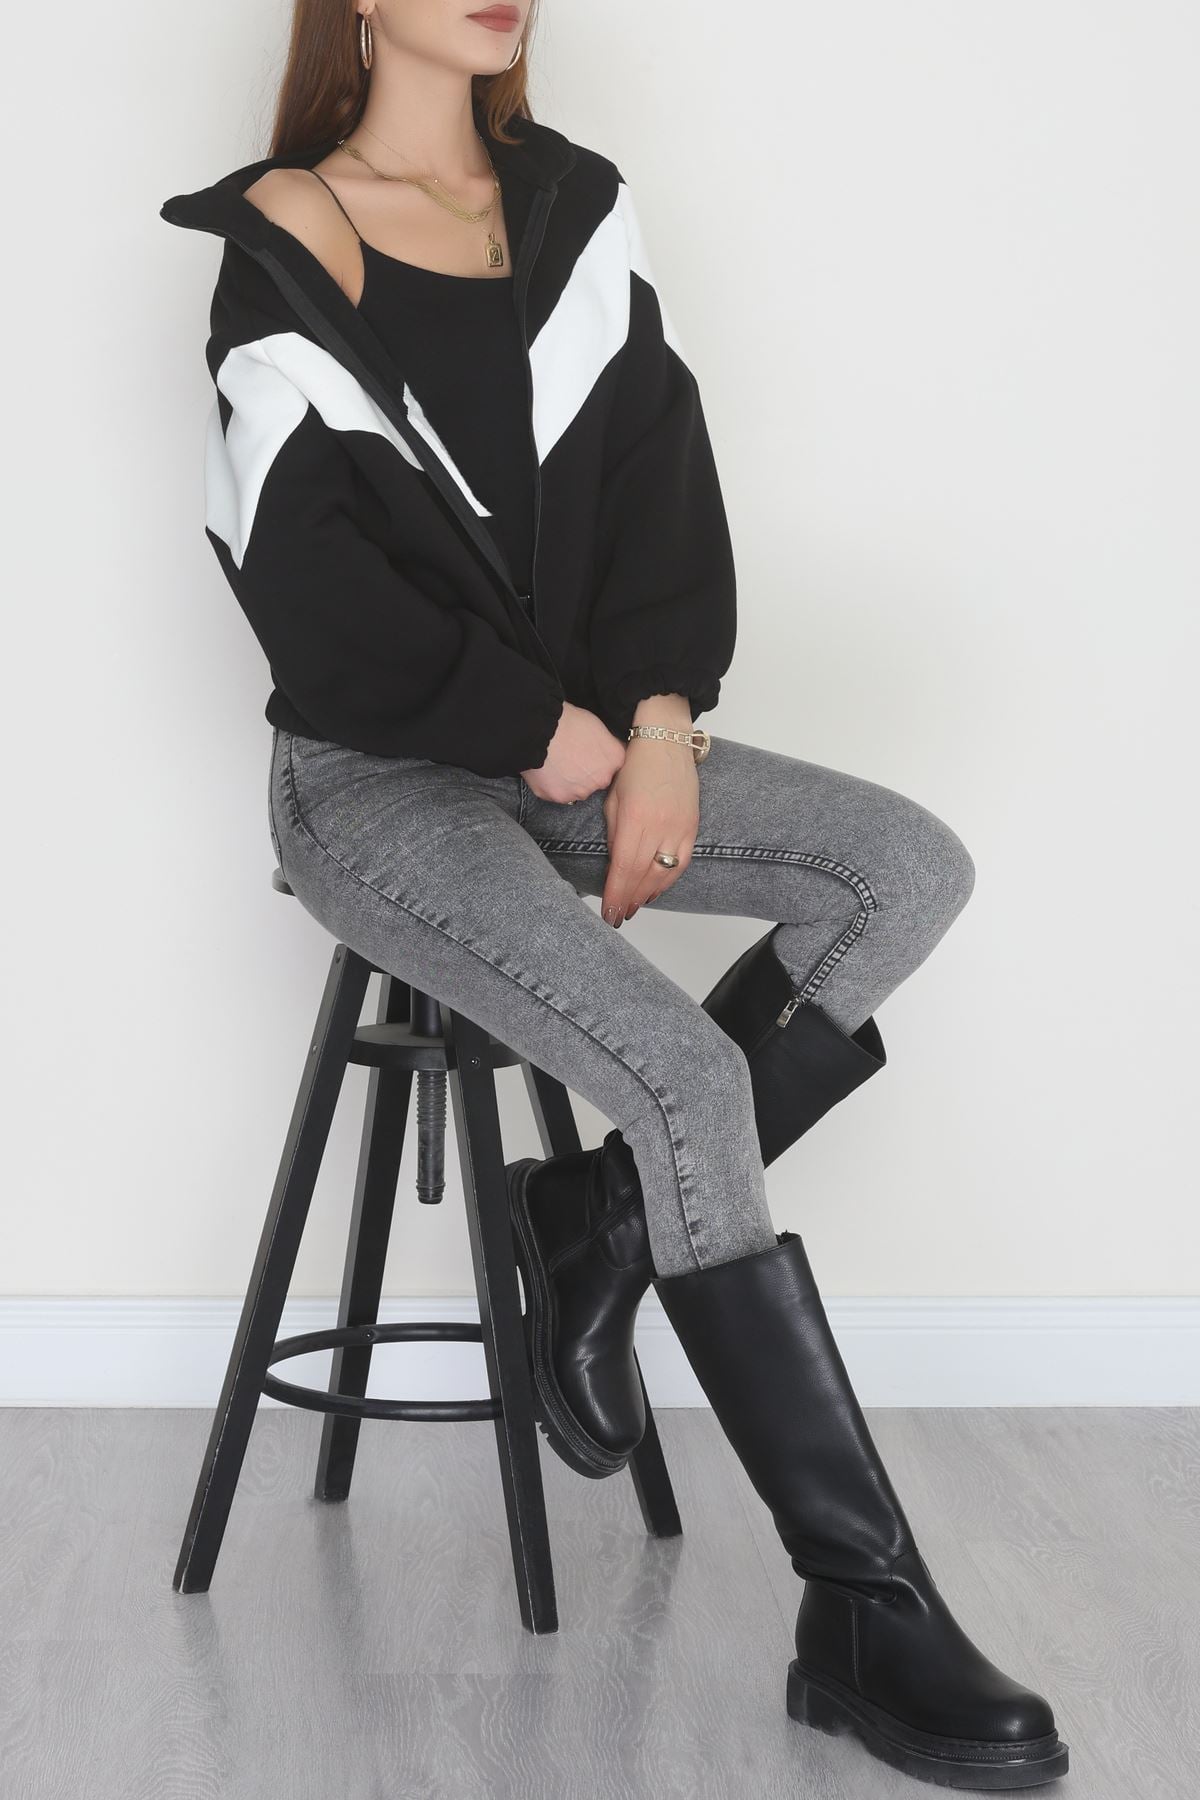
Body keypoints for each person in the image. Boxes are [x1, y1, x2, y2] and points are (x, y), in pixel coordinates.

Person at [160, 1, 1069, 1787]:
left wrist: (657, 722)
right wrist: (536, 729)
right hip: (377, 780)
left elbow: (659, 475)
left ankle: (593, 1223)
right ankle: (862, 1605)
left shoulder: (572, 209)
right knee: (693, 1079)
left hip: (588, 749)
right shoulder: (282, 242)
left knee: (903, 869)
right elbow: (302, 586)